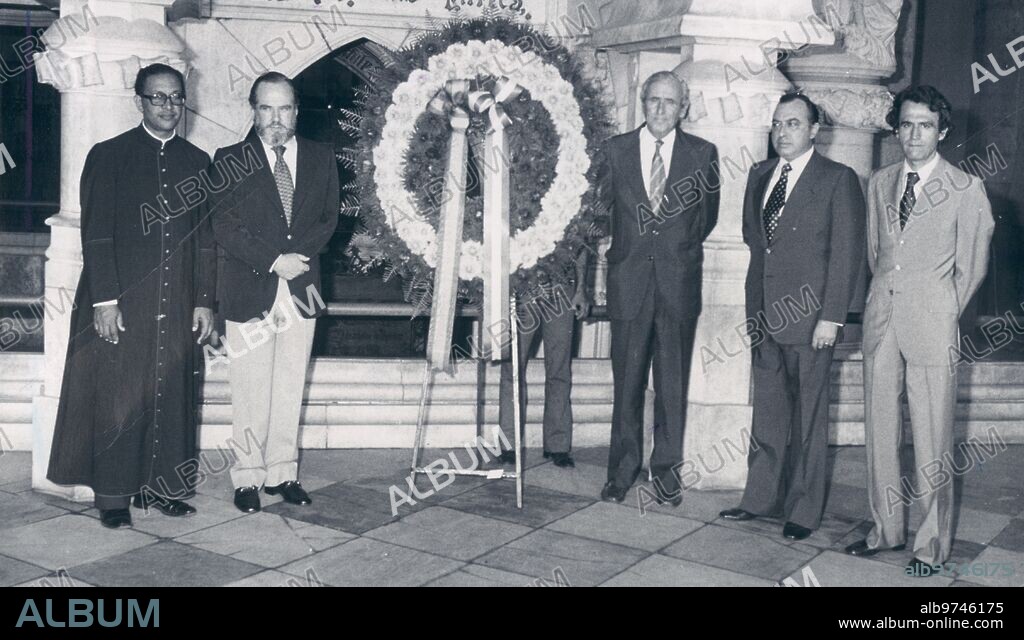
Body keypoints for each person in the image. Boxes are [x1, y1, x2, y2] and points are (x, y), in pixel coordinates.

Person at [47, 64, 216, 529]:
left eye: (176, 97)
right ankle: (115, 496)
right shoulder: (109, 155)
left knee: (170, 390)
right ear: (138, 101)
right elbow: (96, 233)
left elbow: (206, 237)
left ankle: (162, 488)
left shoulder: (198, 161)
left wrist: (204, 299)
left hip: (178, 299)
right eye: (158, 97)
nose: (168, 107)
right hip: (122, 300)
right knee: (120, 394)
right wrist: (105, 299)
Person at [844, 86, 994, 575]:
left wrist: (944, 309)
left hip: (932, 324)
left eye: (925, 125)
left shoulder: (966, 188)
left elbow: (971, 268)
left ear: (942, 131)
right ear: (897, 129)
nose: (914, 133)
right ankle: (885, 530)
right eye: (906, 124)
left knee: (932, 439)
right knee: (880, 430)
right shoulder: (880, 181)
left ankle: (930, 545)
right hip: (882, 321)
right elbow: (876, 255)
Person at [718, 93, 866, 541]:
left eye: (794, 124)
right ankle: (759, 499)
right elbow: (756, 239)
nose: (783, 132)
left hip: (811, 319)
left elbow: (847, 254)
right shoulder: (760, 174)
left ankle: (803, 510)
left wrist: (832, 318)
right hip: (764, 313)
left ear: (815, 130)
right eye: (778, 124)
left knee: (809, 418)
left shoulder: (838, 179)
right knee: (768, 413)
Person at [209, 72, 339, 513]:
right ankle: (247, 477)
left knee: (289, 385)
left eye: (284, 108)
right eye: (266, 108)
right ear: (254, 110)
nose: (276, 119)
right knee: (249, 388)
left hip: (303, 286)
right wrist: (272, 259)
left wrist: (294, 258)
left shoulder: (322, 157)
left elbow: (328, 218)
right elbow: (223, 225)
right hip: (250, 285)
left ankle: (283, 473)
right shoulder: (229, 158)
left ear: (296, 111)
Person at [597, 71, 719, 506]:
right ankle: (621, 472)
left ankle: (666, 473)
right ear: (642, 103)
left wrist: (673, 251)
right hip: (629, 284)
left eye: (671, 102)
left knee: (672, 386)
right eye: (654, 101)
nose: (662, 109)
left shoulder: (702, 155)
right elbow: (601, 211)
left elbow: (705, 219)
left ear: (683, 108)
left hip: (676, 286)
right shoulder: (615, 151)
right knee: (626, 384)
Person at [495, 251, 590, 469]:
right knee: (513, 368)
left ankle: (558, 445)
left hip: (562, 288)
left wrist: (581, 289)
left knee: (559, 368)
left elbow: (583, 244)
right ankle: (509, 445)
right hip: (523, 287)